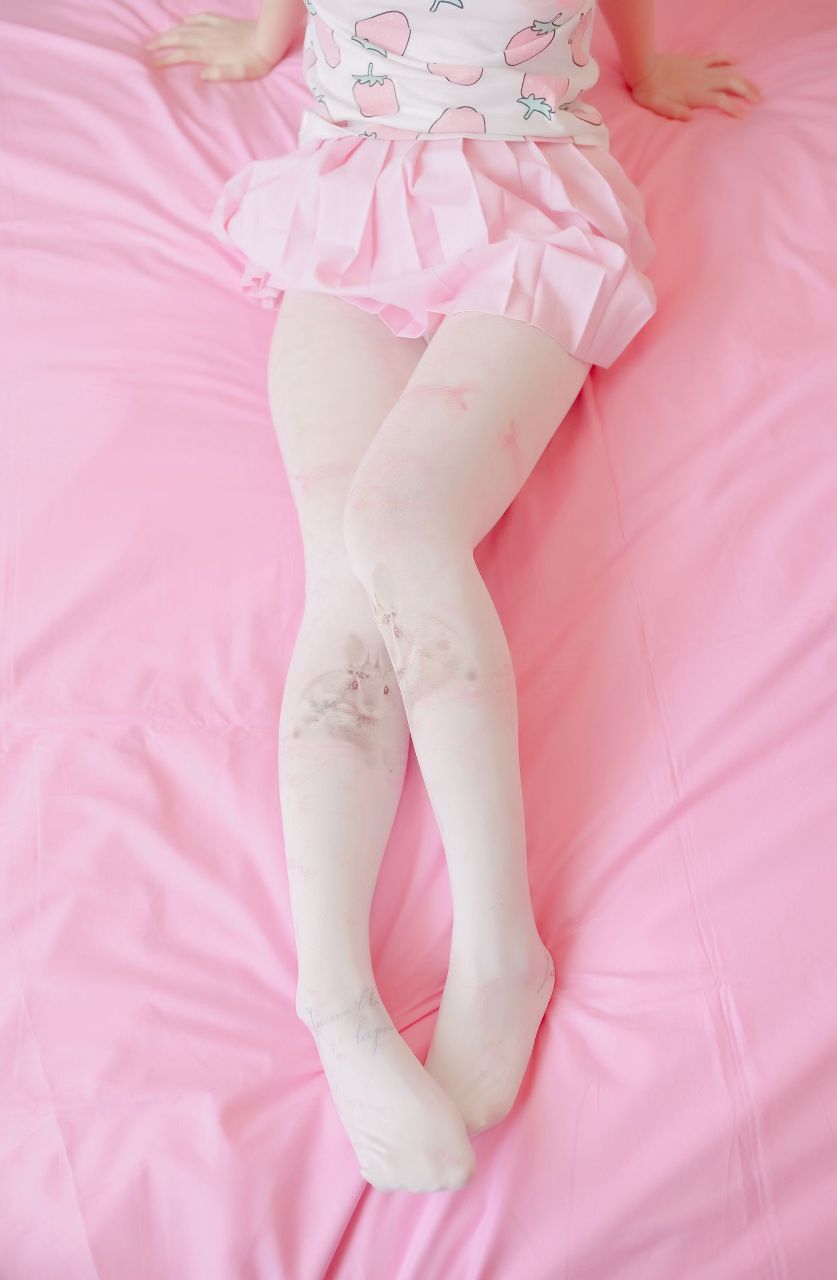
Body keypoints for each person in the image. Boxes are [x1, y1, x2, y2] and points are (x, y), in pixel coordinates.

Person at [145, 0, 762, 1193]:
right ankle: (333, 991)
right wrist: (267, 41)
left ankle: (497, 944)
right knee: (343, 568)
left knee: (400, 521)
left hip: (529, 194)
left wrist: (645, 66)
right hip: (353, 187)